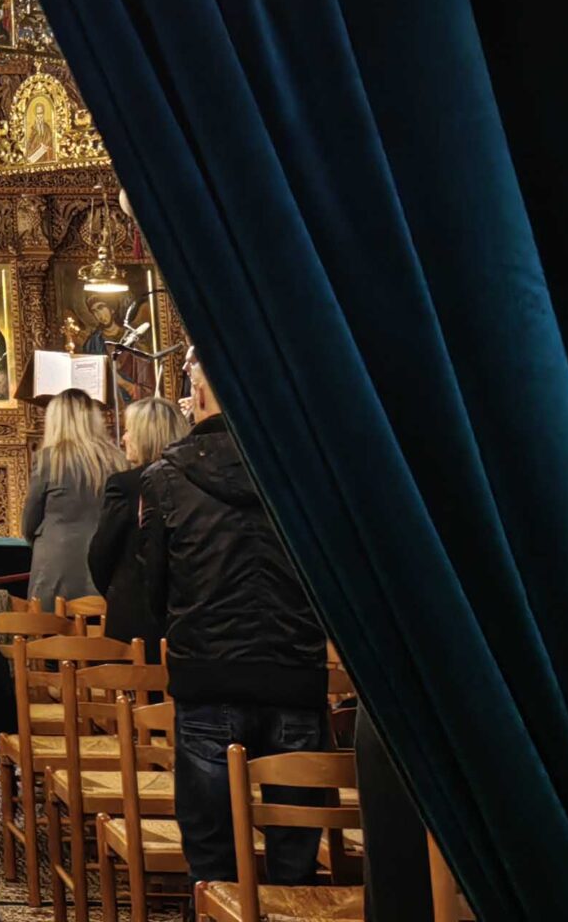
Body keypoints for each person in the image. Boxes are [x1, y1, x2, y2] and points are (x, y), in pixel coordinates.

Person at [132, 355, 332, 889]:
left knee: (211, 859)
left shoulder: (165, 478)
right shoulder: (306, 475)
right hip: (294, 672)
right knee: (296, 856)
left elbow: (154, 588)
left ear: (198, 395)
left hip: (209, 674)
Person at [86, 394, 189, 647]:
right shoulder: (192, 480)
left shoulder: (125, 485)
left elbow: (101, 554)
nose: (123, 438)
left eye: (129, 430)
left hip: (135, 615)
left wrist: (120, 592)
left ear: (145, 436)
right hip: (186, 613)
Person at [23, 388, 124, 605]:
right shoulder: (117, 459)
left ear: (56, 421)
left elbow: (30, 520)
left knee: (50, 624)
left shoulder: (48, 460)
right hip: (105, 562)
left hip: (56, 564)